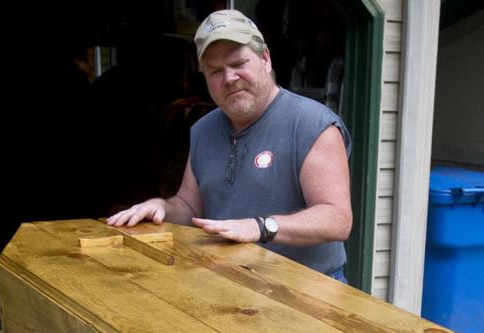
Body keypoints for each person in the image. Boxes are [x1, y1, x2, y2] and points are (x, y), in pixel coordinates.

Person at [106, 9, 352, 282]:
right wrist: (162, 208)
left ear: (265, 58)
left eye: (238, 63)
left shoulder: (311, 124)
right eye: (216, 71)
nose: (229, 78)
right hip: (229, 286)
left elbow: (337, 219)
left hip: (308, 291)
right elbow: (189, 206)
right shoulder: (202, 130)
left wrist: (261, 227)